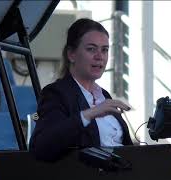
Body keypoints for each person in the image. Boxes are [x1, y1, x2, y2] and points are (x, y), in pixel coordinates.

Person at [29, 18, 133, 162]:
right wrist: (88, 114)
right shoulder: (56, 94)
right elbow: (43, 146)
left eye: (105, 50)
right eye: (91, 49)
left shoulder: (104, 95)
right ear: (71, 54)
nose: (99, 57)